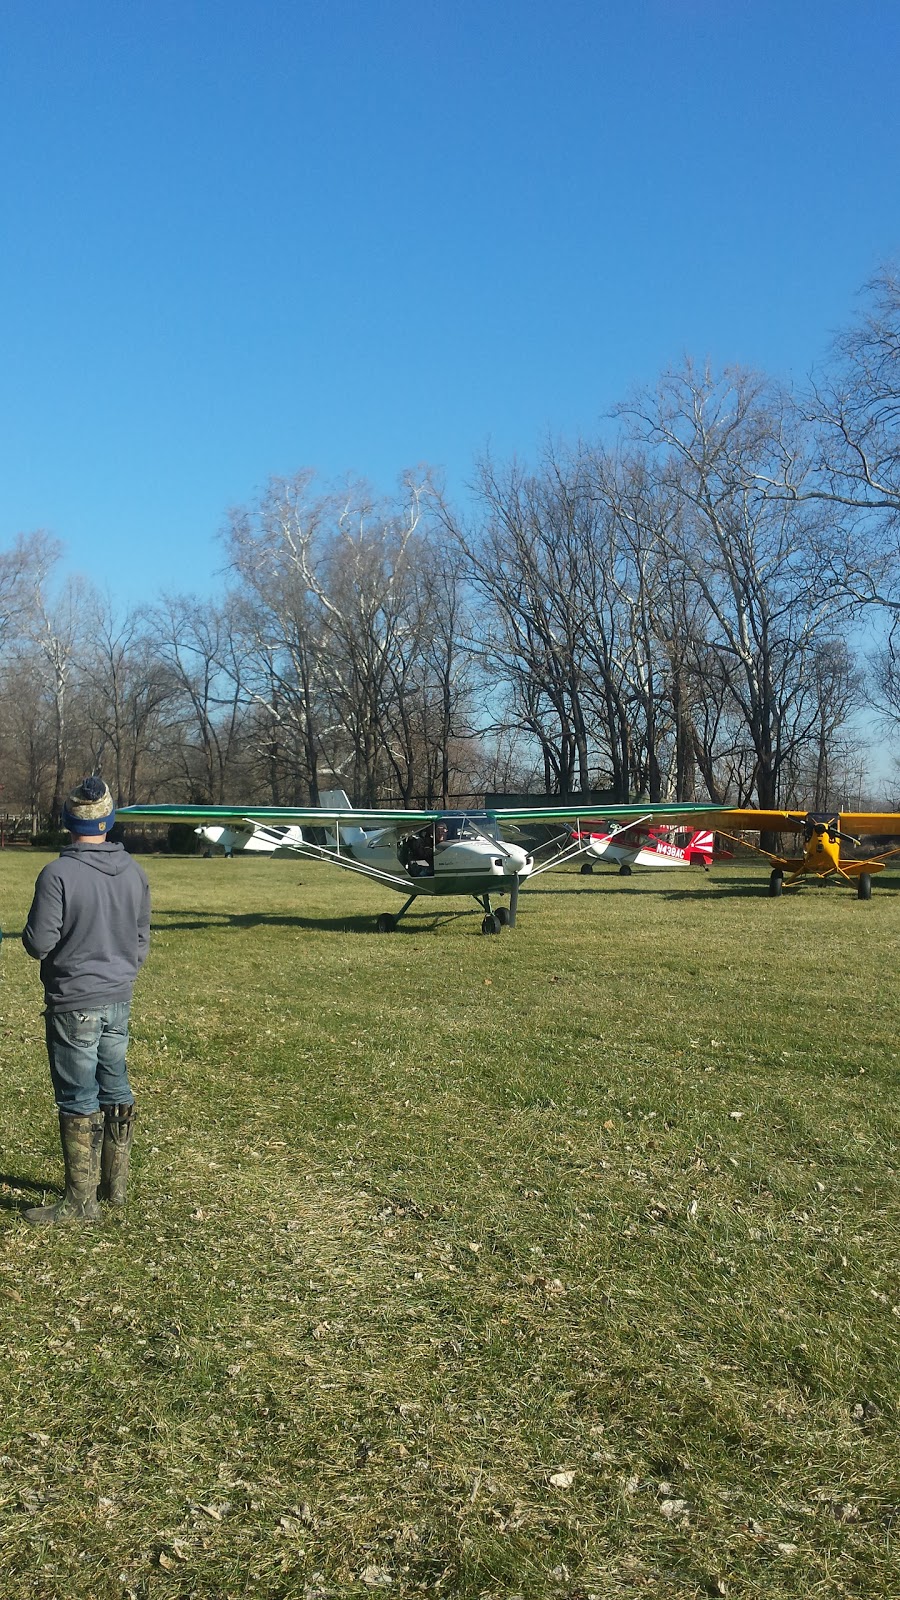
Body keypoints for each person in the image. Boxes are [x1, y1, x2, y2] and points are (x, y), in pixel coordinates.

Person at [21, 776, 151, 1226]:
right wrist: (123, 972)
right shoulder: (134, 870)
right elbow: (141, 937)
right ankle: (115, 1188)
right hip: (118, 998)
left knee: (79, 1095)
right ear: (110, 821)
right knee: (114, 1084)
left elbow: (40, 943)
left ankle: (80, 1203)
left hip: (74, 1001)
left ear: (66, 821)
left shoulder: (57, 873)